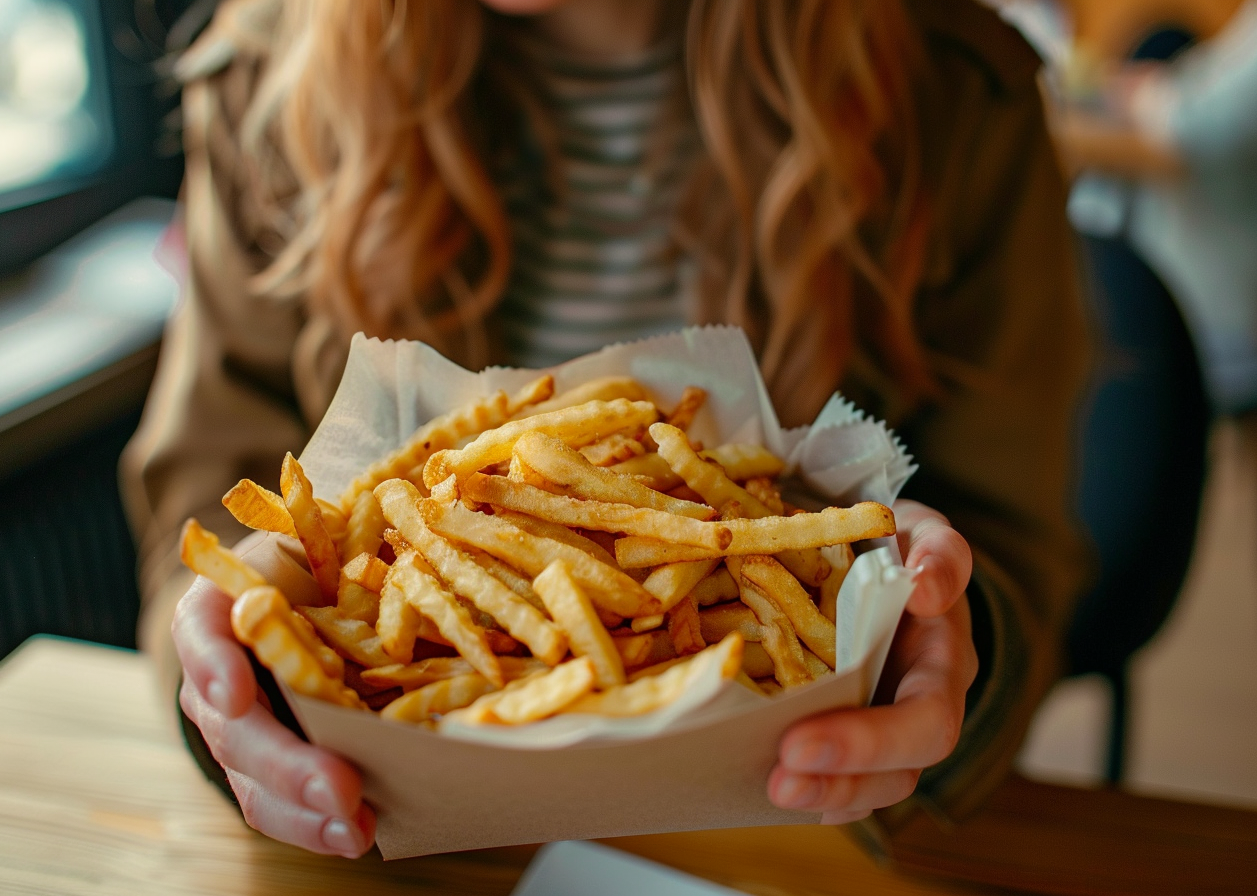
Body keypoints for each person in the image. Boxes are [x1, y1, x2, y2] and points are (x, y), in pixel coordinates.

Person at [121, 0, 1092, 860]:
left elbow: (1003, 540)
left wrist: (946, 643)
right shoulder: (264, 73)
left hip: (796, 843)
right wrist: (236, 693)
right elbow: (209, 487)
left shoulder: (957, 91)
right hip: (410, 855)